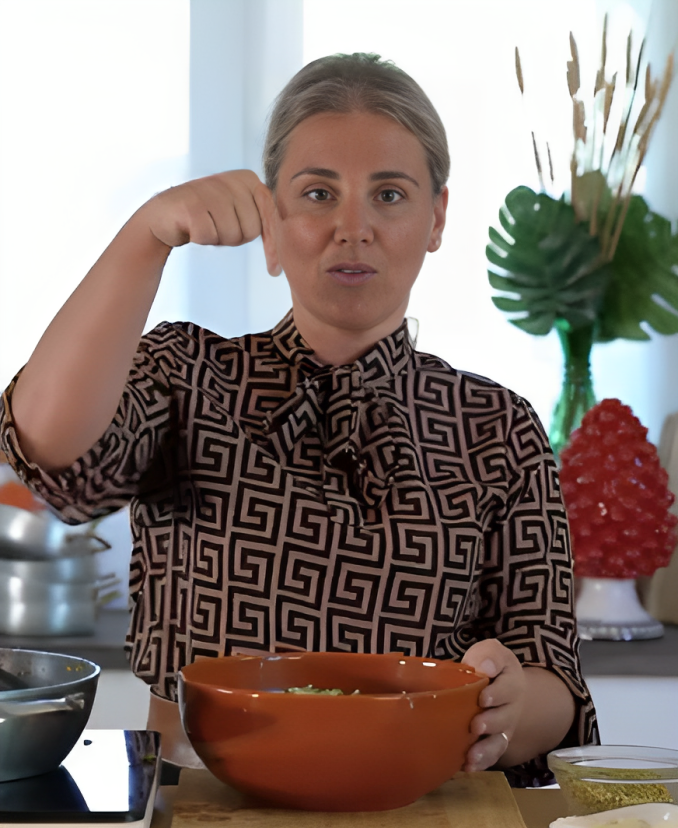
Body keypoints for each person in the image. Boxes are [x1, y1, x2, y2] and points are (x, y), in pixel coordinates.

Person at [0, 53, 597, 784]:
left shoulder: (497, 426)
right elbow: (48, 445)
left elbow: (553, 676)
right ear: (270, 224)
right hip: (198, 802)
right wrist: (144, 236)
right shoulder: (185, 374)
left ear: (437, 217)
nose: (354, 227)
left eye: (389, 194)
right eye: (318, 193)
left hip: (415, 806)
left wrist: (511, 705)